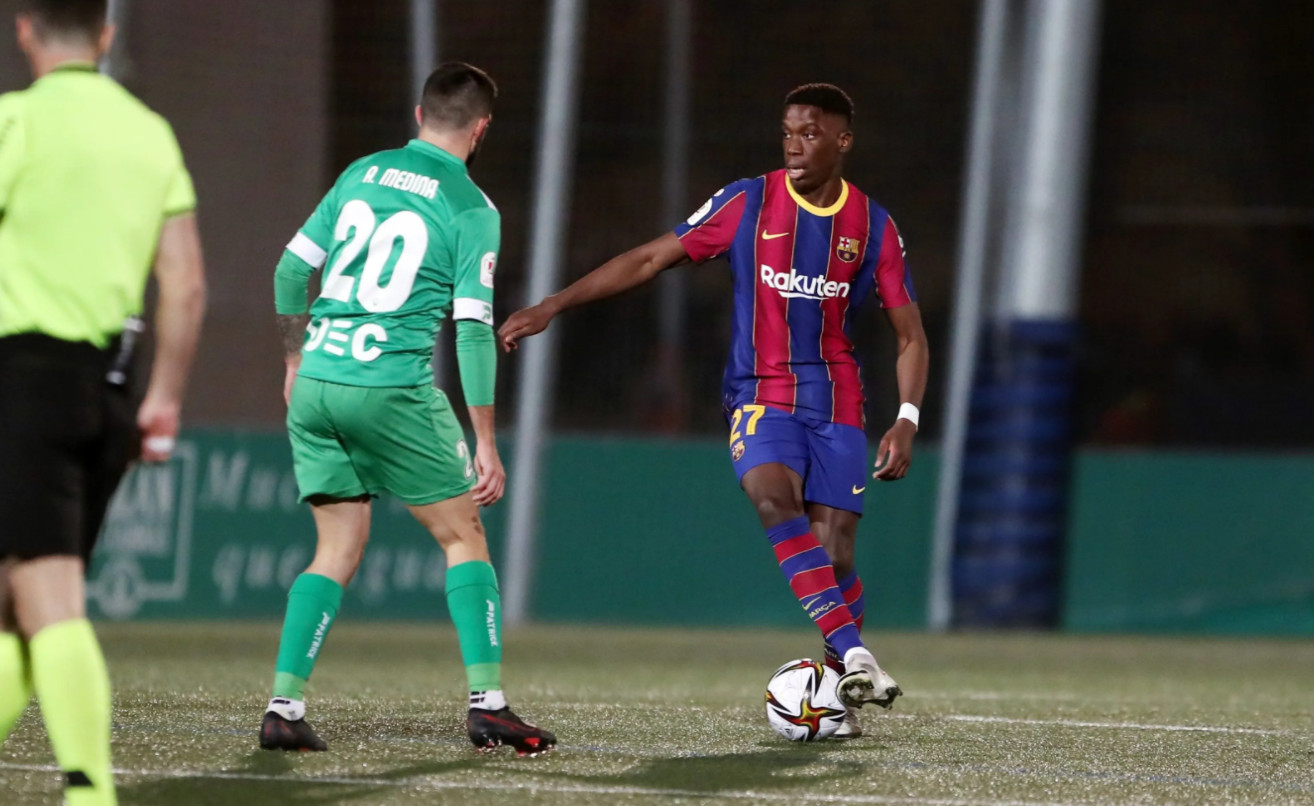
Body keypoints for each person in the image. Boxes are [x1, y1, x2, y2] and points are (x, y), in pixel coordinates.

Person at [500, 83, 929, 739]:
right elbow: (649, 257)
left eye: (810, 132)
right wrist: (552, 304)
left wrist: (907, 417)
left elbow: (909, 336)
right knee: (769, 494)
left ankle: (837, 687)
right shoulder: (747, 202)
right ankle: (857, 655)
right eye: (787, 130)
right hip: (760, 395)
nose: (794, 143)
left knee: (836, 555)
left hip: (837, 404)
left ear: (843, 140)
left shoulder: (873, 226)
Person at [262, 62, 555, 757]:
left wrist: (293, 360)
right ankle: (489, 705)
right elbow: (474, 327)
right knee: (464, 537)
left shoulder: (362, 172)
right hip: (391, 387)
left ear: (418, 115)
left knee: (335, 547)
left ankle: (283, 705)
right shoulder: (471, 207)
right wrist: (484, 438)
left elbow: (289, 270)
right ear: (482, 128)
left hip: (319, 381)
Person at [0, 1, 207, 802]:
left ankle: (90, 791)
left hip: (25, 381)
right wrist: (162, 398)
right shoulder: (149, 132)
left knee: (47, 594)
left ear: (23, 30)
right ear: (105, 35)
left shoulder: (17, 122)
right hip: (113, 389)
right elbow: (184, 284)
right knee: (17, 604)